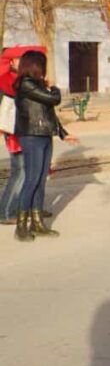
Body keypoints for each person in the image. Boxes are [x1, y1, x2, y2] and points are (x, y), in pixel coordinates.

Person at [13, 51, 79, 241]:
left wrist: (63, 134)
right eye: (42, 65)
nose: (44, 69)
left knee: (41, 180)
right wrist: (55, 88)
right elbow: (54, 100)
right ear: (34, 66)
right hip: (31, 136)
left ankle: (37, 223)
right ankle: (21, 226)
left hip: (43, 135)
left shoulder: (38, 86)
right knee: (31, 180)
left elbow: (50, 114)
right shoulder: (25, 83)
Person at [0, 45, 45, 225]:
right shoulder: (7, 77)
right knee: (19, 171)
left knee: (26, 171)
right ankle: (6, 211)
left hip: (24, 129)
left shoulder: (17, 77)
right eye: (19, 59)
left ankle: (25, 207)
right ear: (11, 61)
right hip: (15, 131)